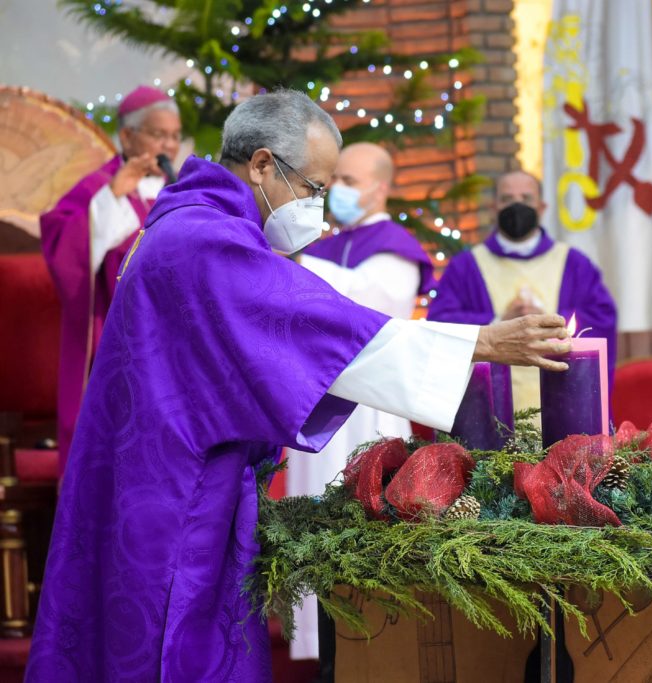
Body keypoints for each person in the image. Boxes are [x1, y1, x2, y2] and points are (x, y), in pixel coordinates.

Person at [24, 90, 570, 682]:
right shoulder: (206, 241)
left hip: (153, 480)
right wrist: (481, 343)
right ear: (261, 165)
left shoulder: (189, 223)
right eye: (312, 187)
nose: (319, 207)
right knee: (173, 650)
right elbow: (318, 329)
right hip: (174, 495)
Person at [285, 142, 435, 661]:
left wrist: (300, 265)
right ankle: (315, 643)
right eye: (334, 180)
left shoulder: (396, 245)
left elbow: (376, 305)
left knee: (366, 504)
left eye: (349, 179)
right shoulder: (324, 245)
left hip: (371, 401)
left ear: (380, 186)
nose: (337, 190)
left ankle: (374, 636)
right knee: (315, 507)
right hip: (319, 390)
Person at [39, 85, 181, 475]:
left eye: (174, 135)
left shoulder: (181, 190)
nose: (168, 144)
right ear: (127, 135)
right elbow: (62, 250)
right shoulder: (96, 187)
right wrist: (110, 199)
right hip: (115, 340)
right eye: (158, 134)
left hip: (174, 343)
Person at [428, 170, 617, 415]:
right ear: (494, 207)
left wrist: (551, 321)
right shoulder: (465, 267)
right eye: (507, 199)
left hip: (563, 403)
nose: (517, 206)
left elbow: (602, 319)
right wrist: (497, 325)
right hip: (490, 410)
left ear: (542, 206)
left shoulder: (574, 263)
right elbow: (440, 325)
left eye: (526, 199)